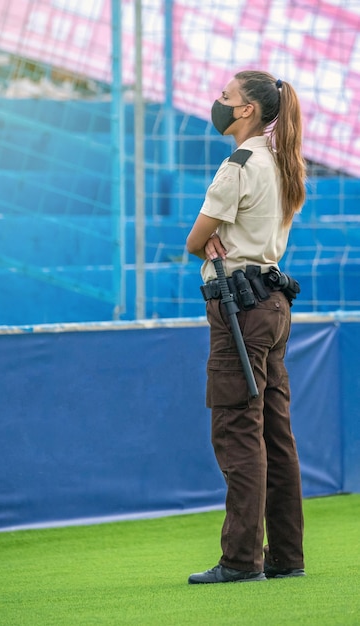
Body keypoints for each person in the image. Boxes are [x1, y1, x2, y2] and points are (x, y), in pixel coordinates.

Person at [186, 70, 306, 584]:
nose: (218, 102)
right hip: (274, 303)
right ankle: (286, 556)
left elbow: (197, 239)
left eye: (225, 97)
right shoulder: (282, 161)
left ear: (246, 111)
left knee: (239, 430)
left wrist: (205, 241)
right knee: (275, 435)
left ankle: (239, 560)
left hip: (240, 309)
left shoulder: (238, 164)